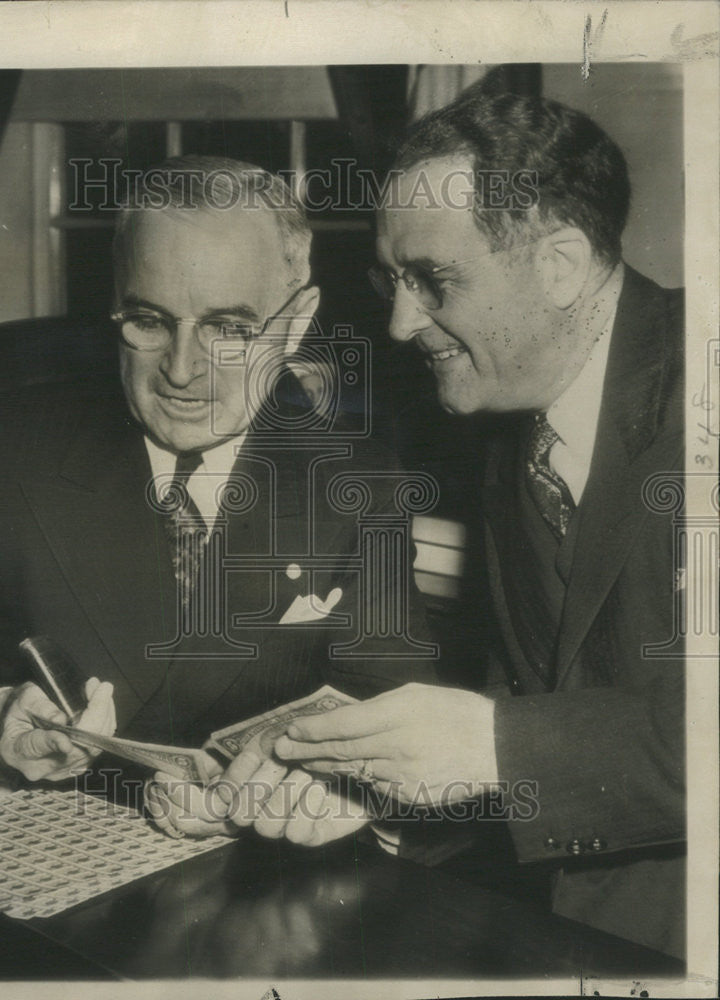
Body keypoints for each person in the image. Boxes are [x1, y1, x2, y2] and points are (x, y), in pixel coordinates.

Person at [0, 156, 438, 835]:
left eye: (230, 329)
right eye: (149, 321)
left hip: (261, 873)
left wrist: (324, 792)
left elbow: (391, 706)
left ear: (297, 323)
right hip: (42, 852)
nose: (182, 370)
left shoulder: (361, 484)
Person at [274, 91, 685, 958]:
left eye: (435, 281)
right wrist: (381, 792)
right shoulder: (511, 421)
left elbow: (521, 743)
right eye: (393, 282)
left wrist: (494, 749)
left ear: (561, 265)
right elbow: (536, 727)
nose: (398, 322)